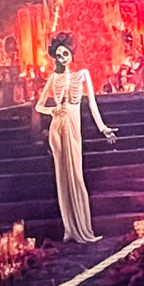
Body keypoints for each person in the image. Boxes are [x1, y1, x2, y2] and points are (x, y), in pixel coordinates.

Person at [34, 32, 116, 244]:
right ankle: (69, 228)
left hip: (74, 124)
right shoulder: (53, 79)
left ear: (71, 54)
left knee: (77, 176)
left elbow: (92, 105)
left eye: (65, 54)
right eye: (59, 55)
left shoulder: (83, 75)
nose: (62, 58)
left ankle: (84, 228)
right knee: (62, 177)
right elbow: (39, 105)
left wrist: (103, 128)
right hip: (58, 126)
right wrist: (52, 111)